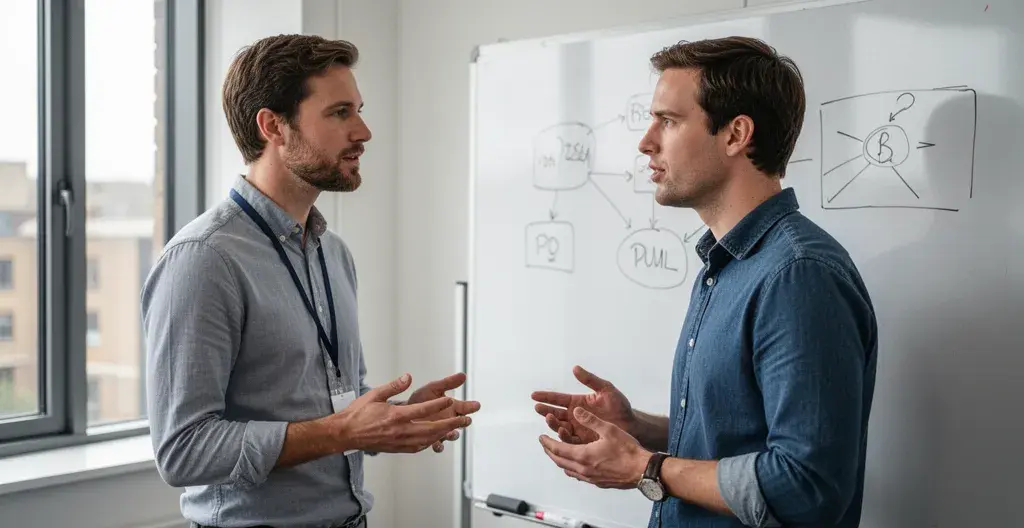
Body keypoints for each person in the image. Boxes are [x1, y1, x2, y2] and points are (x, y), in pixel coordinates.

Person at [532, 36, 878, 527]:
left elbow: (807, 486)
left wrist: (645, 468)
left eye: (668, 121)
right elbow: (736, 438)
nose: (645, 141)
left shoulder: (797, 276)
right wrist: (638, 430)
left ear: (736, 134)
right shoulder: (728, 265)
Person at [142, 34, 480, 528]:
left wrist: (390, 421)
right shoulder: (203, 260)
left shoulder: (333, 253)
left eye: (358, 110)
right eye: (340, 112)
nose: (364, 131)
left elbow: (338, 407)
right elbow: (183, 451)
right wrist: (344, 430)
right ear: (272, 126)